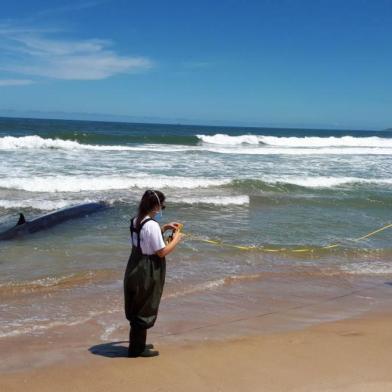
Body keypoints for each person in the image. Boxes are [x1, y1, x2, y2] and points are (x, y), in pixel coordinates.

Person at [124, 189, 182, 357]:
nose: (161, 210)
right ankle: (136, 349)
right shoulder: (152, 225)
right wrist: (177, 239)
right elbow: (161, 252)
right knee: (146, 304)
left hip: (134, 264)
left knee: (137, 303)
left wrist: (163, 228)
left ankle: (138, 344)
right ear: (155, 206)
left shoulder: (136, 220)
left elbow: (144, 238)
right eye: (161, 206)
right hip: (147, 269)